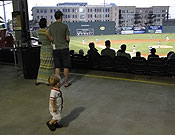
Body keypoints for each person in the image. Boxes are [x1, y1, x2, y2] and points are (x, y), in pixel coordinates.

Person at [48, 10, 72, 87]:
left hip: (56, 48)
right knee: (65, 66)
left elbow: (48, 35)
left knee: (57, 66)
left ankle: (57, 83)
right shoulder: (65, 26)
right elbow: (67, 38)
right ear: (61, 17)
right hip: (64, 48)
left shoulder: (51, 26)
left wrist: (52, 39)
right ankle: (66, 82)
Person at [36, 18, 54, 85]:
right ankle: (48, 80)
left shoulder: (39, 31)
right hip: (48, 48)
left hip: (43, 48)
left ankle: (40, 79)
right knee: (49, 64)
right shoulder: (47, 31)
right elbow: (51, 39)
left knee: (42, 64)